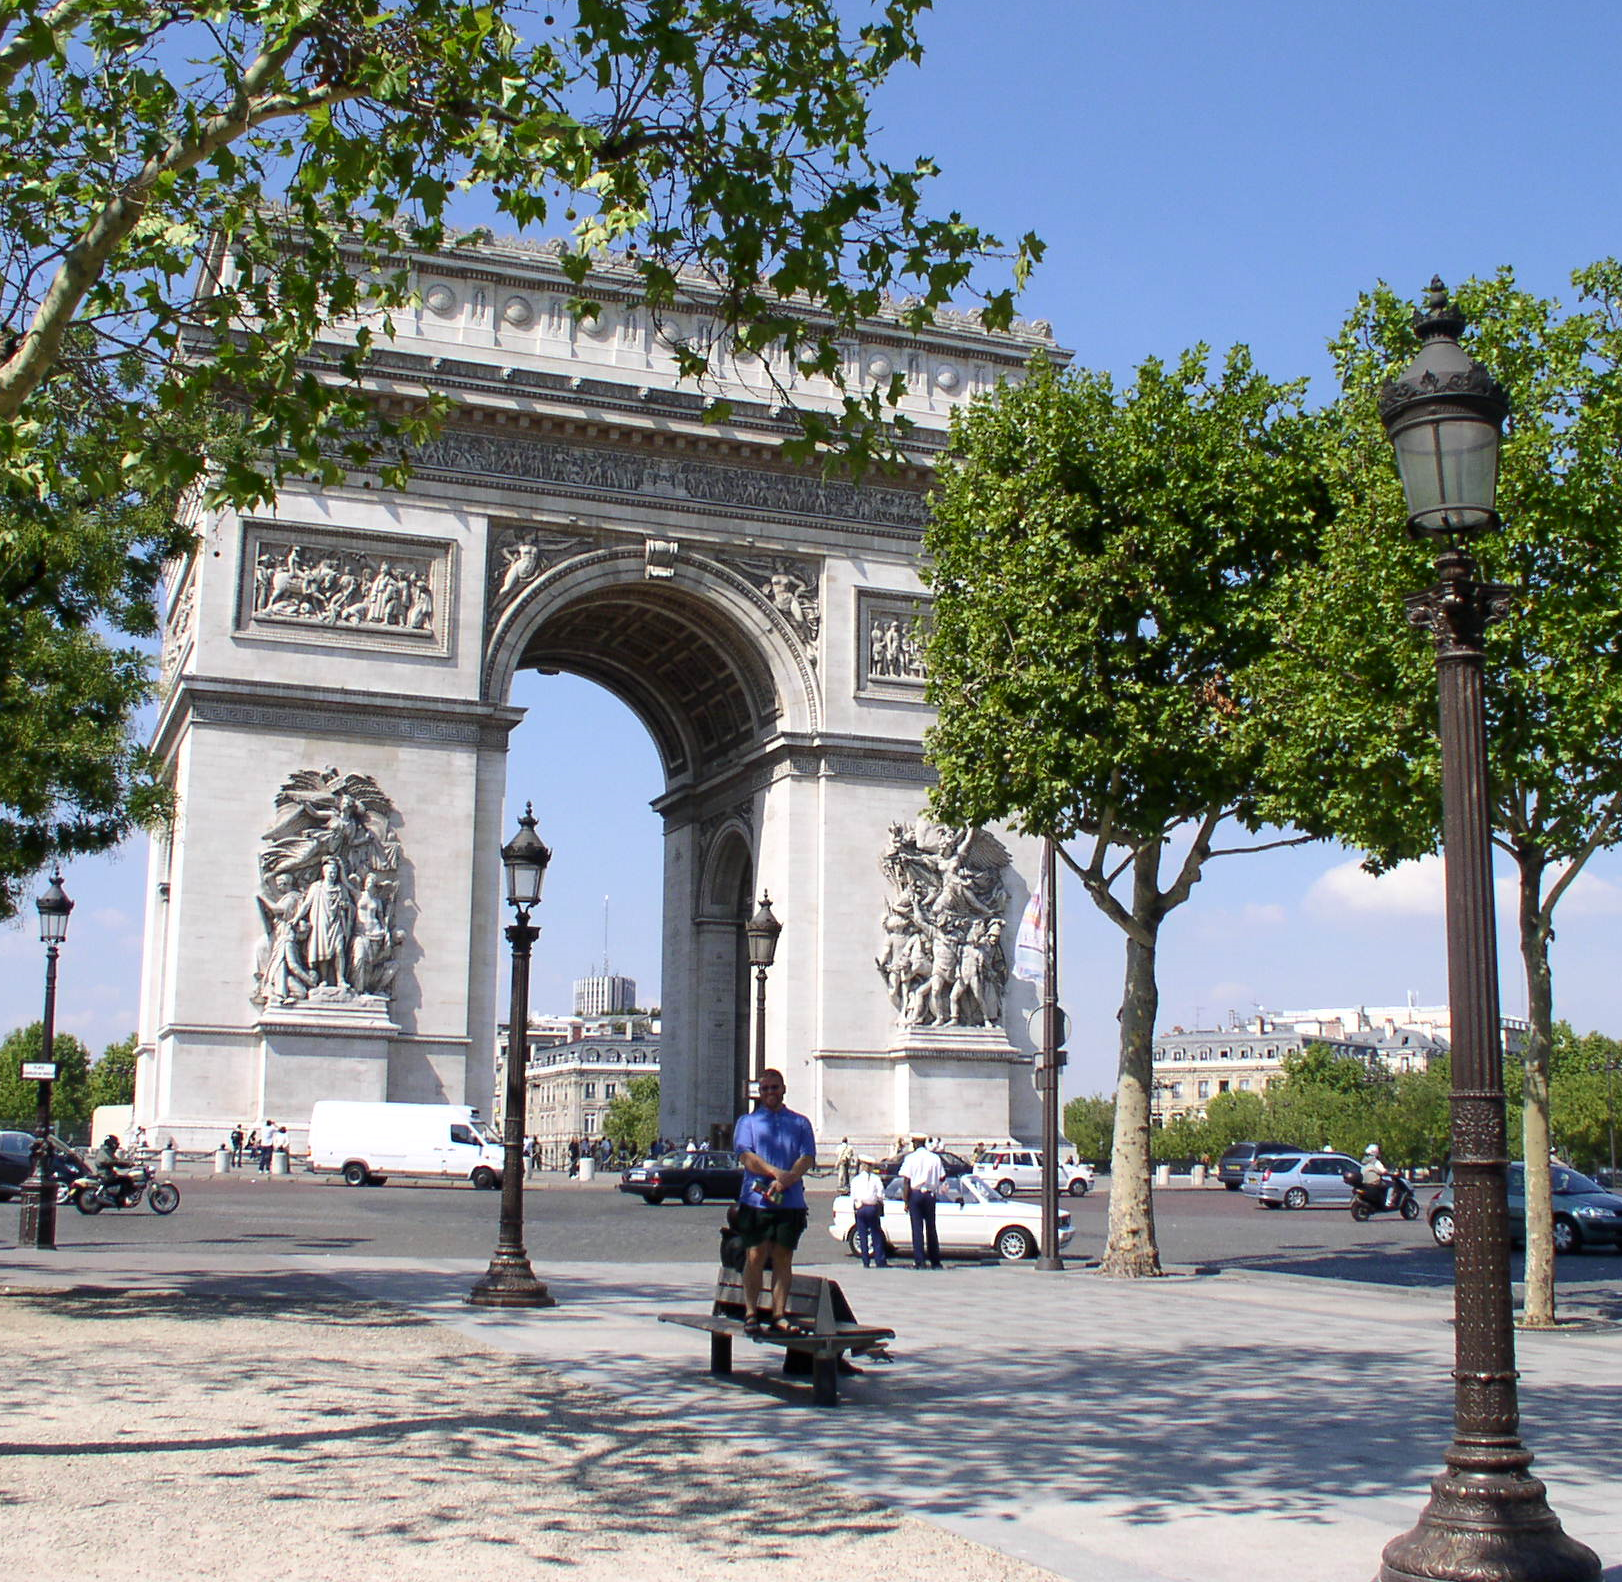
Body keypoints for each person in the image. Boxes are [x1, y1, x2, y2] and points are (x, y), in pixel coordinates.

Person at [732, 1066, 817, 1336]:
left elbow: (807, 1156)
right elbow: (745, 1156)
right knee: (755, 1256)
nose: (770, 1092)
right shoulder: (747, 1122)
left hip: (790, 1201)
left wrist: (789, 1179)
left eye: (774, 1087)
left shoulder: (801, 1122)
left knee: (783, 1258)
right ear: (760, 1093)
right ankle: (751, 1313)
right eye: (765, 1088)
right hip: (757, 1201)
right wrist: (775, 1173)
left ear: (783, 1089)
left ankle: (779, 1315)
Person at [898, 1135, 946, 1269]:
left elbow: (906, 1181)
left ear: (915, 1143)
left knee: (917, 1229)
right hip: (930, 1195)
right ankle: (935, 1261)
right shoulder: (935, 1158)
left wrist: (906, 1200)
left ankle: (920, 1261)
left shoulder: (910, 1158)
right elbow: (943, 1177)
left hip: (916, 1194)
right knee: (931, 1228)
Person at [848, 1157, 889, 1268]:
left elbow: (853, 1196)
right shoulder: (876, 1179)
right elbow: (881, 1195)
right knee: (876, 1234)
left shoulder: (856, 1179)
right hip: (872, 1207)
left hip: (860, 1208)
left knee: (862, 1234)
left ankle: (865, 1261)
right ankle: (879, 1260)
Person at [94, 1134, 137, 1205]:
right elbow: (113, 1162)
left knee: (126, 1178)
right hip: (106, 1175)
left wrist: (127, 1164)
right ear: (111, 1143)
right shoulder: (105, 1151)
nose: (116, 1145)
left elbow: (115, 1161)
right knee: (127, 1180)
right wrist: (128, 1164)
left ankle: (122, 1198)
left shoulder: (106, 1150)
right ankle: (121, 1199)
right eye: (115, 1142)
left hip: (107, 1173)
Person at [1360, 1143, 1390, 1210]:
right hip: (1374, 1182)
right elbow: (1383, 1170)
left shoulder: (1363, 1161)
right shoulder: (1375, 1162)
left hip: (1365, 1181)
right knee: (1389, 1186)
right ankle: (1388, 1203)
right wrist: (1387, 1171)